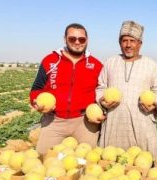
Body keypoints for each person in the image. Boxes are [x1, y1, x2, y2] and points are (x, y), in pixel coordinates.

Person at [29, 23, 103, 154]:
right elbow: (36, 88)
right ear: (65, 39)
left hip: (85, 122)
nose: (77, 42)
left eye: (81, 39)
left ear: (87, 40)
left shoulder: (96, 65)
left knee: (87, 164)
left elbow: (102, 92)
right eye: (72, 38)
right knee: (44, 159)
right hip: (54, 120)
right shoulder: (50, 60)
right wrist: (36, 101)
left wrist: (102, 110)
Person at [96, 20, 157, 158]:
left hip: (142, 124)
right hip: (114, 123)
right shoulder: (110, 62)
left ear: (140, 43)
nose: (128, 45)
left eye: (132, 41)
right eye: (124, 40)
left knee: (145, 163)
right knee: (111, 163)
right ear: (119, 43)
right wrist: (101, 100)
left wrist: (155, 104)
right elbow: (101, 87)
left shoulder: (150, 65)